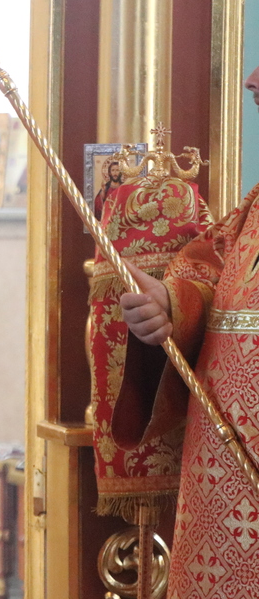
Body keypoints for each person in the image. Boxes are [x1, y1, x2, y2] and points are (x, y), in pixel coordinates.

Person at [120, 63, 259, 597]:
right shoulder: (254, 207)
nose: (251, 82)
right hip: (222, 487)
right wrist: (172, 306)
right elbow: (212, 274)